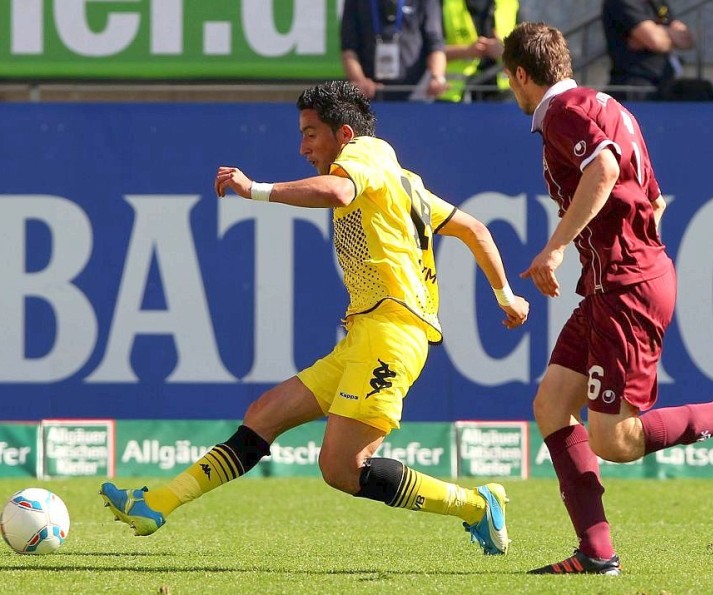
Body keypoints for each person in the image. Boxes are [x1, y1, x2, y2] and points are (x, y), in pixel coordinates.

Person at [100, 81, 529, 556]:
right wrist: (505, 294)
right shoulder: (400, 180)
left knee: (341, 468)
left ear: (344, 134)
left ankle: (475, 505)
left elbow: (339, 191)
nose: (302, 147)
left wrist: (256, 190)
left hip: (392, 334)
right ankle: (156, 502)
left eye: (310, 134)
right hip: (367, 334)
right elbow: (473, 228)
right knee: (263, 415)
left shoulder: (366, 154)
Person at [501, 21, 713, 574]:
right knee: (551, 406)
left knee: (615, 440)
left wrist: (556, 248)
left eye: (511, 81)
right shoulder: (609, 106)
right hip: (610, 284)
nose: (512, 92)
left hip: (626, 286)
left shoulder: (566, 113)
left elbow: (606, 170)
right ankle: (596, 552)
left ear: (521, 74)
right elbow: (652, 197)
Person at [340, 0, 449, 101]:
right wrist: (360, 80)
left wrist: (437, 77)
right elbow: (349, 48)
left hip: (415, 95)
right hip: (371, 96)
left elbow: (435, 45)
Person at [601, 0, 694, 101]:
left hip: (664, 82)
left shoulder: (657, 3)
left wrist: (656, 33)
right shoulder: (623, 2)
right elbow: (655, 41)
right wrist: (670, 36)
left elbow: (687, 40)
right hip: (635, 85)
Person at [440, 0, 519, 102]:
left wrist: (504, 51)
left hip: (503, 95)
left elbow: (526, 52)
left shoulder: (509, 3)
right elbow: (426, 52)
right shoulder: (444, 3)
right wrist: (466, 51)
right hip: (454, 96)